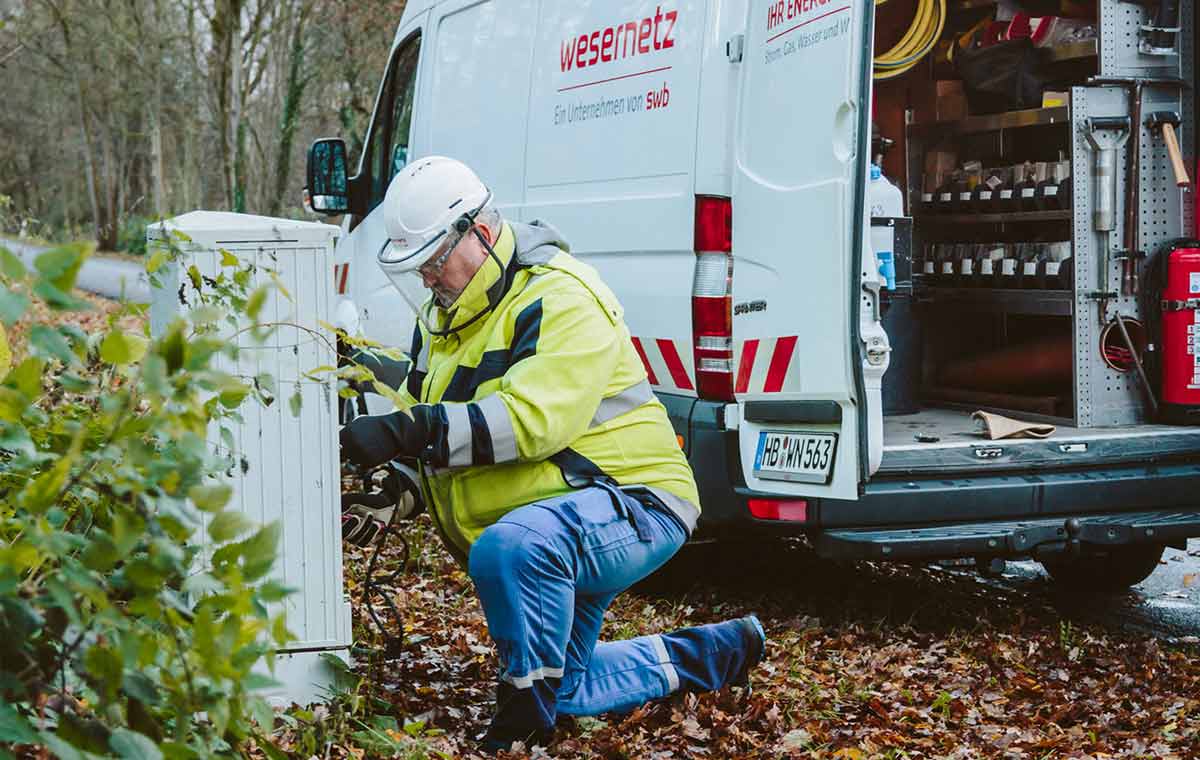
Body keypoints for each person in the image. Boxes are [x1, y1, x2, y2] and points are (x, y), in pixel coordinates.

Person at [339, 156, 766, 753]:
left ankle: (521, 729)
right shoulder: (443, 322)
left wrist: (407, 430)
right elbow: (430, 424)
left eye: (436, 261)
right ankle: (712, 653)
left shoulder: (561, 295)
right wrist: (397, 490)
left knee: (512, 553)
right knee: (568, 687)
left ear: (481, 234)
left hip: (632, 500)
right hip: (558, 513)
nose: (430, 279)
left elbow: (532, 421)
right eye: (420, 267)